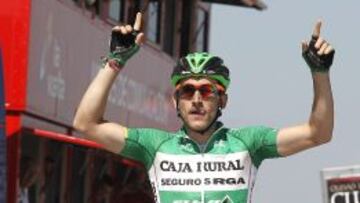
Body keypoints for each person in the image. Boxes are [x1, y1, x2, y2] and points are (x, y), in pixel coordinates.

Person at [73, 12, 335, 203]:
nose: (196, 99)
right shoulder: (154, 145)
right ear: (176, 101)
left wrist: (320, 73)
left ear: (223, 101)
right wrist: (114, 62)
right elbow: (86, 124)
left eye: (207, 90)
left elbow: (318, 133)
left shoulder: (249, 142)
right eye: (187, 91)